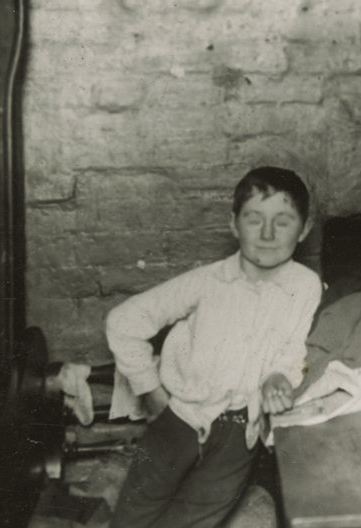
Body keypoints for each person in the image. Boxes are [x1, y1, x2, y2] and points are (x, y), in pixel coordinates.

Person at [105, 167, 323, 528]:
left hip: (241, 431)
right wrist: (149, 388)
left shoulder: (305, 285)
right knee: (136, 508)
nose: (267, 234)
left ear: (304, 229)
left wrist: (277, 377)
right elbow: (123, 321)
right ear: (234, 224)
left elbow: (291, 346)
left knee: (196, 517)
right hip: (179, 417)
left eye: (282, 222)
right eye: (254, 220)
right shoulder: (208, 282)